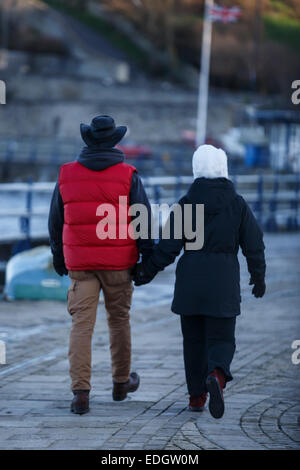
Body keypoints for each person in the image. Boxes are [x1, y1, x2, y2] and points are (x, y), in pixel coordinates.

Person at [133, 144, 266, 419]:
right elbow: (254, 244)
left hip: (190, 284)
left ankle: (196, 397)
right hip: (223, 283)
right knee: (222, 338)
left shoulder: (185, 205)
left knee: (193, 343)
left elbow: (168, 248)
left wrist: (146, 271)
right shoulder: (238, 204)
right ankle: (216, 375)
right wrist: (258, 276)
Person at [48, 115, 153, 414]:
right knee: (119, 320)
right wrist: (146, 259)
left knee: (81, 325)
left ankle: (80, 393)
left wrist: (59, 258)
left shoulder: (66, 174)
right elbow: (142, 218)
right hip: (119, 263)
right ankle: (121, 383)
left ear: (88, 140)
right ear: (114, 141)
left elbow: (55, 222)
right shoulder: (128, 174)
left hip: (80, 264)